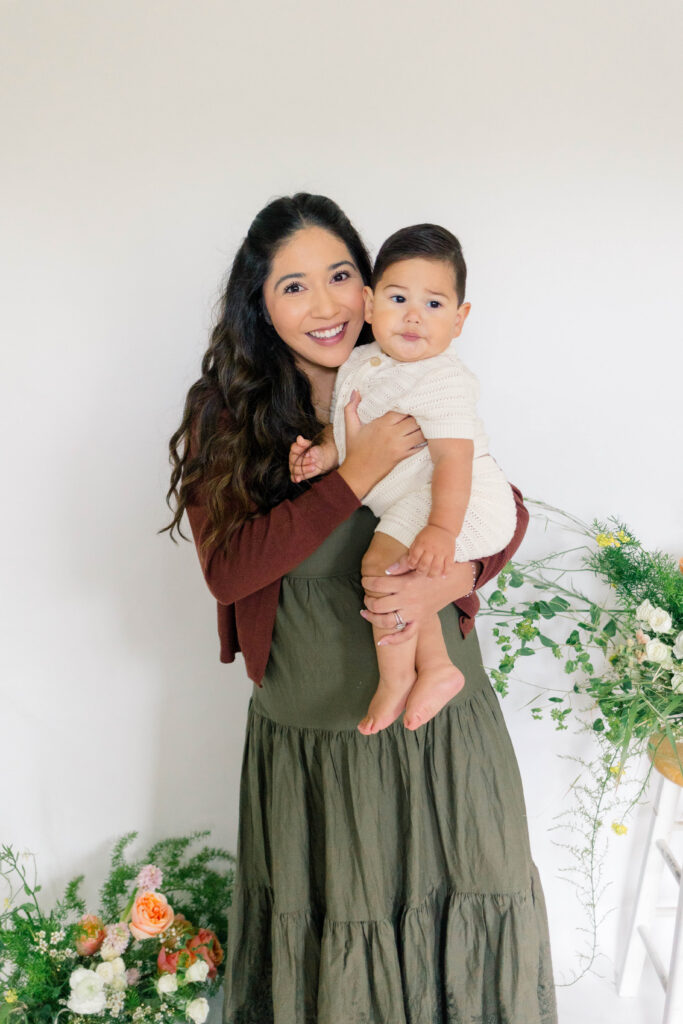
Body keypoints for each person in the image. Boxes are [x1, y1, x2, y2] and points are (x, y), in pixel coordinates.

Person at [165, 193, 557, 1024]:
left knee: (460, 929)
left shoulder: (410, 370)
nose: (327, 304)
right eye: (294, 286)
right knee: (339, 962)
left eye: (341, 275)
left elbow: (501, 507)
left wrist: (451, 578)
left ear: (371, 285)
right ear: (260, 305)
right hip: (312, 744)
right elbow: (229, 572)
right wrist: (352, 472)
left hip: (438, 728)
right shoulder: (227, 414)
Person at [289, 224, 517, 736]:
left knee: (381, 567)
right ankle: (436, 666)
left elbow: (455, 462)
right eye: (398, 298)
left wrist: (441, 530)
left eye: (434, 305)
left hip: (458, 502)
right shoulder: (364, 361)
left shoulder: (441, 379)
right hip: (415, 500)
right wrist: (325, 455)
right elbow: (352, 426)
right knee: (404, 581)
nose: (414, 315)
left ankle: (396, 680)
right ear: (370, 306)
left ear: (460, 320)